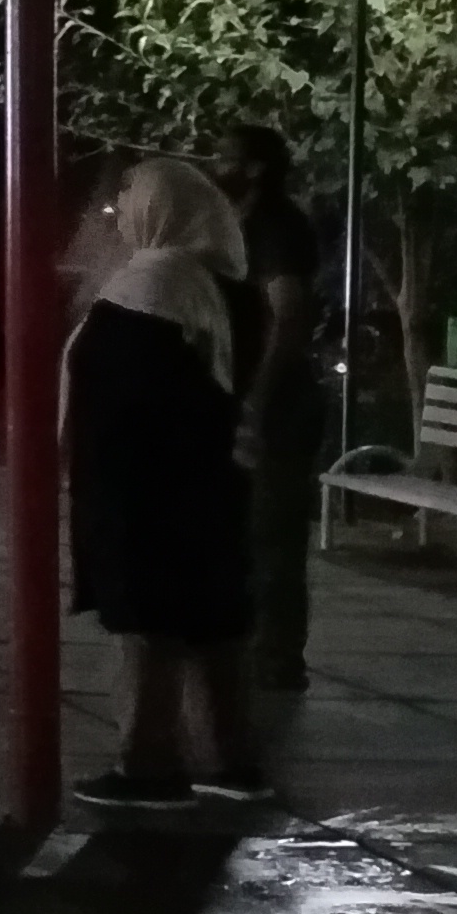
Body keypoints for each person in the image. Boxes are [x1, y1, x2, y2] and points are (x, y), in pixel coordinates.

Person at [65, 155, 272, 810]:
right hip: (208, 481)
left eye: (131, 203)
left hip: (145, 486)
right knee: (212, 622)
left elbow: (125, 388)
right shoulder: (224, 285)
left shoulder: (151, 285)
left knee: (148, 623)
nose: (123, 216)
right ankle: (232, 760)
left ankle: (148, 765)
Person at [213, 122, 324, 692]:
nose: (216, 165)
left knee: (272, 535)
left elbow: (288, 315)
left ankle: (277, 658)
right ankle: (252, 648)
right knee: (246, 535)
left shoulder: (276, 227)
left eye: (226, 156)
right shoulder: (243, 224)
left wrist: (258, 395)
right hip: (252, 397)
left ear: (255, 168)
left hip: (278, 406)